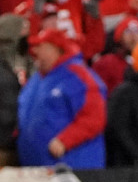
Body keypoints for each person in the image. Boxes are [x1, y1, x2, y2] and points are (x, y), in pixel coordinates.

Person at [17, 29, 107, 169]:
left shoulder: (78, 75)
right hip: (37, 169)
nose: (35, 52)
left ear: (56, 49)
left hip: (74, 166)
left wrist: (65, 141)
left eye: (41, 47)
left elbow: (94, 118)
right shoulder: (36, 79)